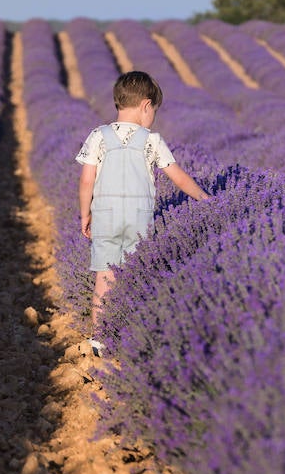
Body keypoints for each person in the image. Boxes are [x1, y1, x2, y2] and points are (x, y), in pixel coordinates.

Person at [76, 70, 210, 355]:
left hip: (106, 214)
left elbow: (87, 180)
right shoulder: (152, 140)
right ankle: (131, 332)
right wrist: (203, 197)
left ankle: (99, 337)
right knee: (135, 273)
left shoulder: (98, 136)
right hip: (138, 216)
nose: (153, 118)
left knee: (104, 276)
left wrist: (85, 214)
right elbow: (178, 177)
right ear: (146, 106)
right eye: (154, 112)